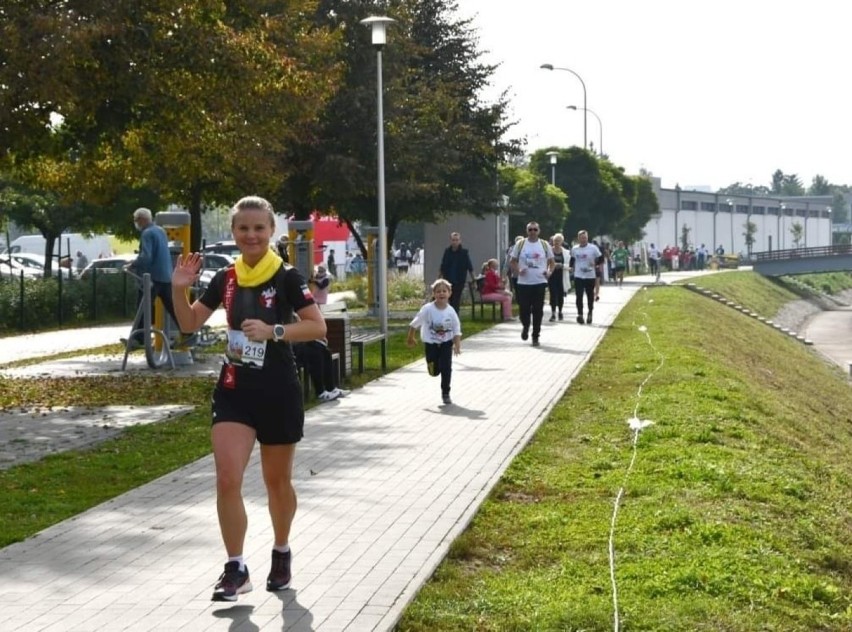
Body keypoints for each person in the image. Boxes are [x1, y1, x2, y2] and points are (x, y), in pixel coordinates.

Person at [170, 195, 327, 602]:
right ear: (235, 233)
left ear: (271, 231)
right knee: (226, 478)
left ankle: (280, 551)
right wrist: (178, 289)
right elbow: (188, 323)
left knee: (277, 483)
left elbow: (316, 327)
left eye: (259, 228)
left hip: (278, 390)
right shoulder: (226, 277)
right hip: (235, 390)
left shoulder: (287, 277)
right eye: (243, 228)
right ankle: (236, 567)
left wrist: (274, 331)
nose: (251, 235)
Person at [125, 207, 193, 347]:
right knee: (172, 306)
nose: (136, 223)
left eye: (136, 220)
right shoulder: (160, 231)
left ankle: (139, 339)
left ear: (142, 220)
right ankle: (187, 332)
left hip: (151, 278)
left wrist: (133, 264)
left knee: (142, 308)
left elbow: (146, 257)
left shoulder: (147, 234)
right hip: (166, 276)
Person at [406, 278, 461, 405]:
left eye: (444, 291)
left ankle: (446, 393)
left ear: (449, 293)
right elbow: (414, 324)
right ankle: (433, 367)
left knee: (447, 368)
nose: (441, 293)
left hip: (446, 343)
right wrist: (410, 338)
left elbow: (456, 328)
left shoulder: (451, 311)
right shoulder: (427, 309)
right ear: (434, 294)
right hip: (431, 344)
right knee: (435, 372)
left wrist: (457, 344)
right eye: (438, 291)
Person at [510, 222, 554, 346]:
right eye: (530, 229)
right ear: (527, 231)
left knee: (537, 310)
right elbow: (512, 261)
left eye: (535, 229)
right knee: (524, 308)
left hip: (540, 282)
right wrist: (518, 270)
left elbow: (552, 262)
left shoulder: (544, 245)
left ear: (539, 231)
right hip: (524, 283)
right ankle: (525, 326)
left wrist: (549, 272)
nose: (533, 232)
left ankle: (535, 335)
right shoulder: (521, 244)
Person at [293, 338, 349, 402]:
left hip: (302, 344)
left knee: (324, 350)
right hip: (291, 349)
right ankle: (320, 392)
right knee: (314, 351)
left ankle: (331, 388)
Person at [569, 230, 602, 325]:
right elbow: (572, 259)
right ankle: (580, 314)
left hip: (589, 275)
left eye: (585, 238)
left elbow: (601, 258)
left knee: (589, 295)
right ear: (578, 238)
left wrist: (595, 264)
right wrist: (571, 267)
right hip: (578, 275)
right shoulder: (575, 249)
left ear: (587, 238)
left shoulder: (593, 248)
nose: (583, 239)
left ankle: (590, 313)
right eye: (581, 238)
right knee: (578, 295)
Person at [439, 232, 475, 315]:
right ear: (451, 241)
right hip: (448, 279)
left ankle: (455, 316)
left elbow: (470, 267)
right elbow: (442, 266)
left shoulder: (464, 253)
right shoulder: (447, 252)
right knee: (449, 299)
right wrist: (439, 279)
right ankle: (449, 316)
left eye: (456, 240)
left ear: (460, 241)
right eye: (453, 240)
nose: (455, 242)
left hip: (459, 280)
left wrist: (474, 279)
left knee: (456, 299)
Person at [547, 233, 567, 321]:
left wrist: (562, 265)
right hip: (552, 275)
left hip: (561, 275)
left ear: (561, 242)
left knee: (560, 294)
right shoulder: (549, 251)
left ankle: (560, 312)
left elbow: (568, 264)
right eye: (555, 241)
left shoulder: (565, 252)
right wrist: (552, 265)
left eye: (558, 241)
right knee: (553, 294)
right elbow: (546, 262)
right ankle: (553, 313)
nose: (556, 242)